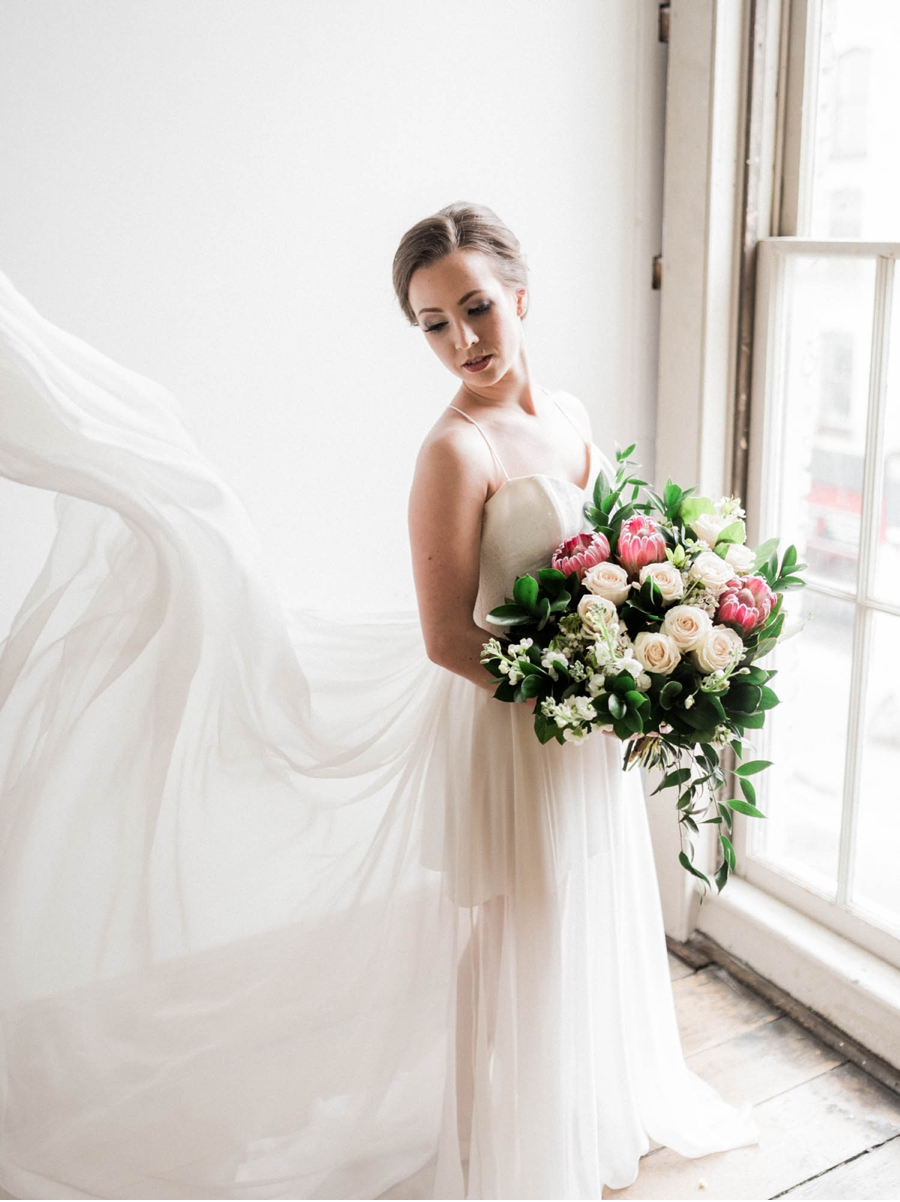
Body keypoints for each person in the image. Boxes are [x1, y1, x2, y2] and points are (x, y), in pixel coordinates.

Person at [0, 205, 757, 1202]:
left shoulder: (565, 417)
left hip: (583, 724)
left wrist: (647, 648)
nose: (463, 341)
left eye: (476, 307)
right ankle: (489, 1135)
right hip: (516, 727)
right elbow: (450, 637)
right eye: (434, 323)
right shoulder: (454, 452)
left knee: (577, 909)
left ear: (521, 294)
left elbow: (604, 556)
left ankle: (575, 1101)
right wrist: (588, 687)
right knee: (512, 936)